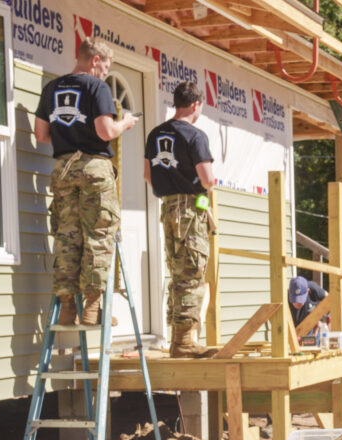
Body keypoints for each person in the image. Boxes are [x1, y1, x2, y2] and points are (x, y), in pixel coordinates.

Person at [34, 37, 139, 326]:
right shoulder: (96, 87)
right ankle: (92, 309)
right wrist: (125, 124)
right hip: (94, 167)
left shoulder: (52, 88)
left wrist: (70, 135)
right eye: (105, 67)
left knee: (67, 236)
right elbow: (105, 132)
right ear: (94, 61)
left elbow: (41, 135)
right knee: (98, 235)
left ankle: (67, 308)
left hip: (63, 169)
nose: (106, 73)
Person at [143, 81, 215, 358]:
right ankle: (184, 342)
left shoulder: (154, 134)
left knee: (176, 272)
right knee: (191, 273)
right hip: (189, 210)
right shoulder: (195, 136)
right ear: (196, 104)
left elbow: (148, 176)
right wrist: (208, 184)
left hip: (167, 207)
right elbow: (208, 180)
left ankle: (178, 338)